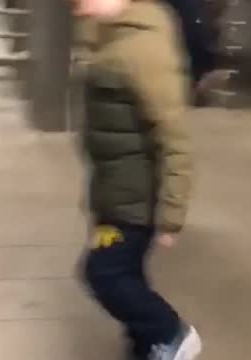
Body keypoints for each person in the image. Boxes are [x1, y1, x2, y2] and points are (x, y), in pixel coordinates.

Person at [73, 0, 199, 359]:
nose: (78, 8)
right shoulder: (109, 33)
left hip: (136, 200)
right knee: (126, 271)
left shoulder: (144, 48)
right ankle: (146, 347)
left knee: (103, 272)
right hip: (113, 192)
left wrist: (172, 214)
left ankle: (171, 334)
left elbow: (175, 138)